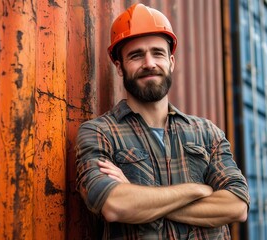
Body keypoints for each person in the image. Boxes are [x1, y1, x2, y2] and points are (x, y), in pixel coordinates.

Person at [75, 3, 250, 239]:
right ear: (119, 67)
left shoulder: (208, 133)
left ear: (172, 62)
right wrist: (198, 189)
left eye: (157, 53)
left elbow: (237, 206)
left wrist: (142, 199)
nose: (149, 63)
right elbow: (114, 205)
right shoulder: (99, 133)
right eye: (136, 55)